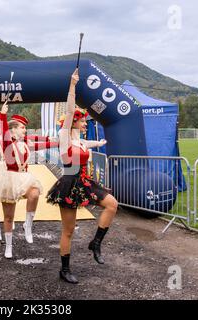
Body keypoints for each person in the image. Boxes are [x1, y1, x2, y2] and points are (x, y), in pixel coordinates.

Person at [46, 68, 119, 284]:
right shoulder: (65, 137)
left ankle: (95, 243)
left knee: (112, 204)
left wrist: (101, 143)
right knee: (68, 230)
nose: (86, 123)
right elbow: (69, 111)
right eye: (83, 121)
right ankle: (64, 269)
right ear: (74, 122)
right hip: (69, 182)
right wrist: (72, 85)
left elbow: (90, 144)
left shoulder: (80, 141)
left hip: (85, 181)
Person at [0, 102, 59, 258]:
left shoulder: (26, 143)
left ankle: (28, 224)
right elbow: (4, 129)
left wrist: (58, 142)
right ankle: (8, 246)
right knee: (8, 216)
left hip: (25, 179)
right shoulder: (7, 142)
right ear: (13, 130)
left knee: (34, 194)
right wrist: (3, 114)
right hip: (9, 180)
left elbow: (44, 145)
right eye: (22, 127)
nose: (25, 130)